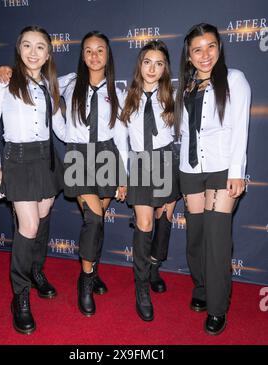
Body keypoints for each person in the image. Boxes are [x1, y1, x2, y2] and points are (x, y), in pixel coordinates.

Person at [0, 26, 66, 334]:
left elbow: (60, 127)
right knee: (28, 226)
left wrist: (88, 139)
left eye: (40, 47)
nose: (34, 52)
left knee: (43, 219)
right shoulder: (3, 81)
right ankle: (20, 295)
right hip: (17, 160)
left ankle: (36, 271)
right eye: (28, 46)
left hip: (46, 158)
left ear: (48, 53)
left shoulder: (49, 84)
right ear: (19, 49)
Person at [174, 23, 251, 335]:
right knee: (196, 237)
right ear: (189, 56)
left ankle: (218, 306)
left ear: (219, 48)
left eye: (210, 47)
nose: (205, 55)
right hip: (190, 170)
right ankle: (203, 287)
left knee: (217, 239)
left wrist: (237, 172)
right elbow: (181, 133)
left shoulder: (235, 80)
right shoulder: (186, 86)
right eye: (197, 49)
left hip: (222, 169)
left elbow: (240, 129)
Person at [56, 31, 128, 316]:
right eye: (89, 50)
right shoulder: (69, 83)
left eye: (100, 50)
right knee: (94, 220)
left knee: (98, 224)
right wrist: (63, 132)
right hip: (79, 157)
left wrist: (123, 176)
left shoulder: (117, 92)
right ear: (82, 55)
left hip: (108, 156)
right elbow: (40, 86)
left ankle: (92, 269)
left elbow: (121, 137)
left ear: (108, 55)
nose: (94, 56)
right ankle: (85, 282)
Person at [120, 40, 180, 321]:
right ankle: (141, 287)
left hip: (166, 160)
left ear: (165, 67)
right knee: (144, 225)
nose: (152, 68)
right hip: (141, 162)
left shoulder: (174, 95)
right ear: (140, 65)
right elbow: (121, 140)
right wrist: (123, 172)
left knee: (163, 220)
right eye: (147, 62)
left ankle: (155, 266)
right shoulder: (126, 96)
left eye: (159, 63)